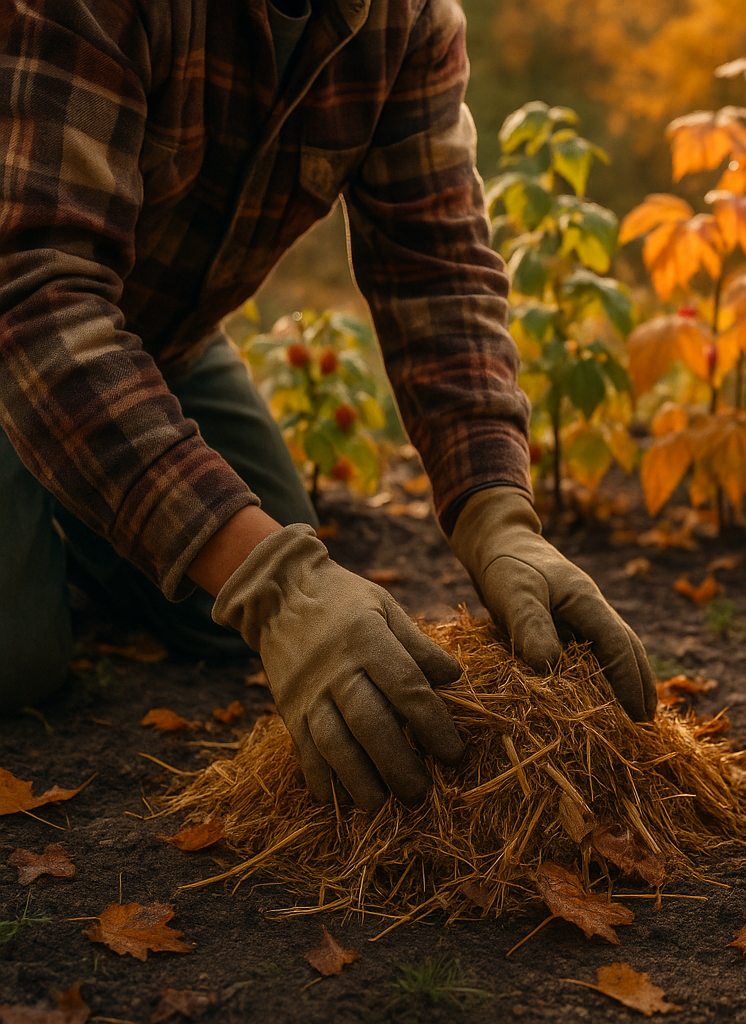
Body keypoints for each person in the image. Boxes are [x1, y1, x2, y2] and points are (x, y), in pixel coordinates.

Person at [0, 0, 655, 810]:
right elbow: (34, 302)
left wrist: (498, 519)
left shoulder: (406, 20)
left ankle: (72, 491)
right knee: (18, 658)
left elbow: (437, 269)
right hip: (24, 320)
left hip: (154, 338)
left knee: (233, 604)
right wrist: (275, 584)